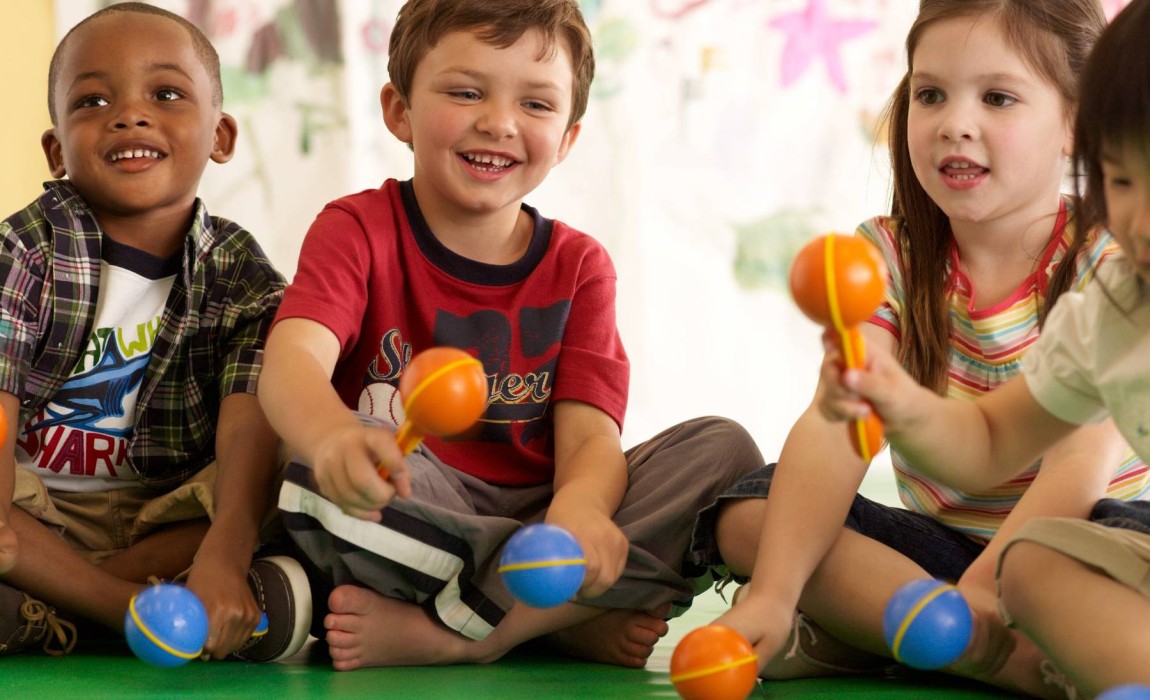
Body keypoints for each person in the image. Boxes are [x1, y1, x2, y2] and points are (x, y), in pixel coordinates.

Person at [257, 0, 762, 672]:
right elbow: (291, 362)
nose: (498, 123)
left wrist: (580, 511)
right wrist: (333, 438)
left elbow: (589, 438)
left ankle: (477, 631)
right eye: (466, 92)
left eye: (537, 104)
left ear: (570, 137)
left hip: (541, 516)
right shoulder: (356, 229)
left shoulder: (581, 266)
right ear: (398, 109)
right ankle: (552, 616)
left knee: (724, 454)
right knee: (307, 483)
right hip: (420, 498)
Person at [697, 0, 1146, 697]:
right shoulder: (887, 255)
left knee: (1039, 568)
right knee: (751, 514)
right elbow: (841, 427)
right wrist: (774, 596)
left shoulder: (1109, 264)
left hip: (1084, 543)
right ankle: (983, 650)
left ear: (1073, 126)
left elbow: (1077, 471)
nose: (954, 123)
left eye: (998, 97)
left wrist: (982, 590)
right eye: (930, 94)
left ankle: (911, 637)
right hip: (943, 555)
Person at [0, 3, 310, 662]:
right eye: (92, 101)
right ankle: (134, 610)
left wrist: (226, 547)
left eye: (166, 93)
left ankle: (57, 607)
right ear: (57, 151)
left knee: (294, 463)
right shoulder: (25, 248)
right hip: (35, 509)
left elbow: (246, 426)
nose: (128, 114)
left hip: (162, 514)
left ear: (220, 135)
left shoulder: (240, 273)